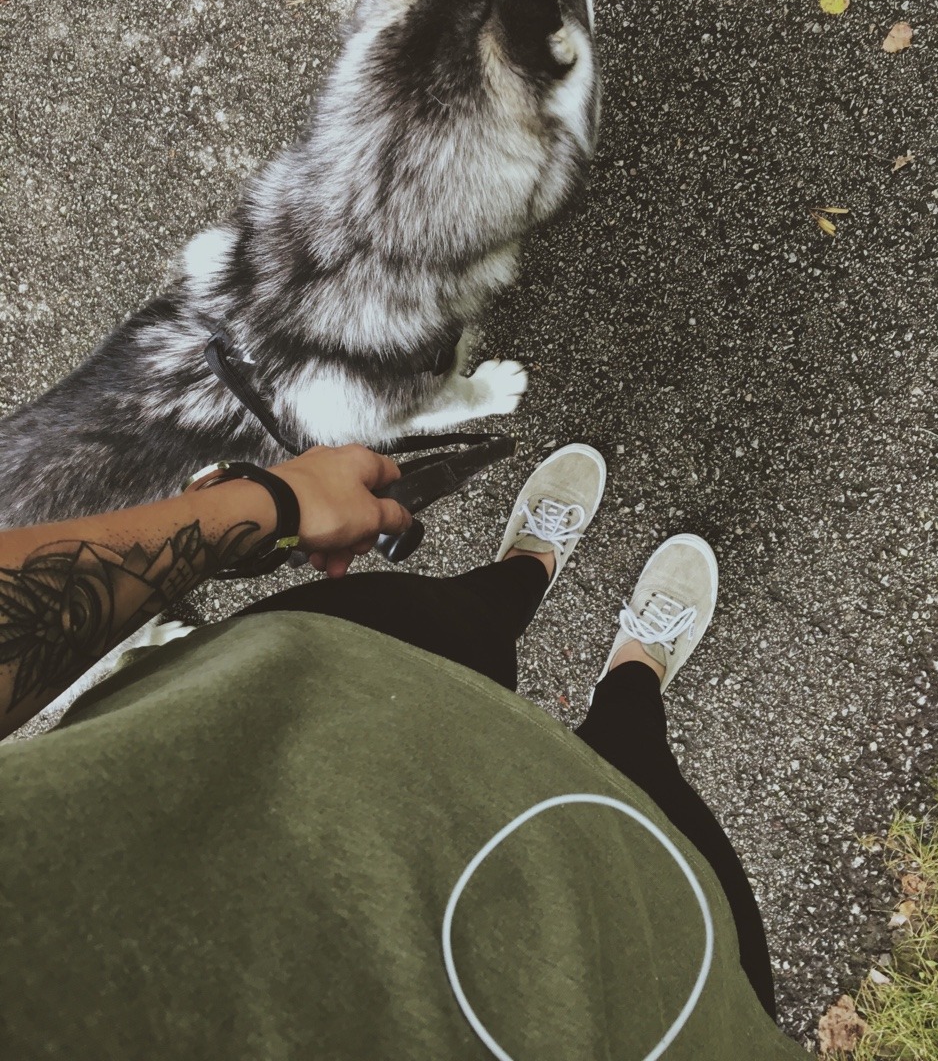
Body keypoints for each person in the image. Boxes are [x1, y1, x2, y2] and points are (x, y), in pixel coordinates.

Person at [0, 443, 804, 1059]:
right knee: (633, 757)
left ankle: (527, 568)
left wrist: (272, 504)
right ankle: (636, 666)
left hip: (297, 703)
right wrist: (265, 504)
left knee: (467, 619)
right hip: (647, 988)